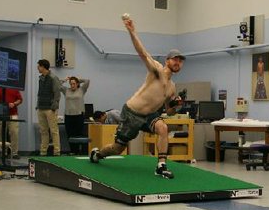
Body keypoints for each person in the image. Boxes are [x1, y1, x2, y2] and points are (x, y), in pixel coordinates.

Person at [90, 15, 184, 179]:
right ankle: (97, 155)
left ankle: (161, 165)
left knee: (163, 128)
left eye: (181, 61)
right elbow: (142, 53)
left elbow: (168, 112)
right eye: (175, 59)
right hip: (132, 113)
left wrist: (174, 106)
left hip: (150, 116)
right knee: (117, 148)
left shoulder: (172, 88)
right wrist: (132, 31)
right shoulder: (157, 70)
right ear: (167, 60)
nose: (178, 62)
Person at [0, 85, 23, 158]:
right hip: (1, 114)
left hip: (13, 114)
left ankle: (14, 153)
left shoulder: (14, 87)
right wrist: (0, 104)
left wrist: (14, 104)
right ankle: (4, 151)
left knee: (14, 132)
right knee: (1, 133)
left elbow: (19, 99)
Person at [36, 59, 61, 156]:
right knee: (43, 131)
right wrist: (38, 105)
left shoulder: (53, 78)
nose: (38, 68)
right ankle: (43, 151)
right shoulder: (40, 78)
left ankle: (57, 151)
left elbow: (57, 93)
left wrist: (53, 107)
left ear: (43, 67)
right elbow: (39, 93)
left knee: (54, 130)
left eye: (38, 66)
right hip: (41, 108)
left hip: (50, 109)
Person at [60, 76, 90, 150]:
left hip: (79, 116)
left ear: (77, 84)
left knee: (79, 134)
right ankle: (72, 151)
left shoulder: (81, 90)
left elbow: (87, 80)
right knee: (70, 135)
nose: (72, 85)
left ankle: (79, 151)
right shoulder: (66, 90)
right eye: (71, 84)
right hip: (68, 116)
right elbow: (57, 84)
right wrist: (65, 80)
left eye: (74, 83)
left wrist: (77, 79)